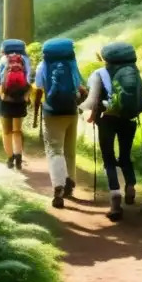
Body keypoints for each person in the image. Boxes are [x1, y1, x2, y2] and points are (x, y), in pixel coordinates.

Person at [81, 41, 142, 221]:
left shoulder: (99, 74)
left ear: (106, 59)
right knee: (125, 155)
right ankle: (131, 185)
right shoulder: (134, 72)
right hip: (129, 119)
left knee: (108, 158)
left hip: (107, 120)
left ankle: (115, 196)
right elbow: (141, 98)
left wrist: (92, 116)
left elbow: (92, 102)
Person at [32, 37, 86, 208]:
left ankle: (58, 186)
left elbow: (39, 86)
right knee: (70, 149)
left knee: (55, 150)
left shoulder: (43, 66)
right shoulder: (72, 65)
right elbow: (79, 87)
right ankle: (70, 181)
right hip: (71, 112)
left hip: (51, 113)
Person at [0, 39, 31, 170]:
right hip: (20, 98)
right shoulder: (25, 60)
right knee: (17, 130)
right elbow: (28, 80)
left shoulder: (4, 59)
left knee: (6, 131)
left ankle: (10, 159)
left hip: (5, 98)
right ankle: (19, 158)